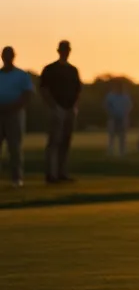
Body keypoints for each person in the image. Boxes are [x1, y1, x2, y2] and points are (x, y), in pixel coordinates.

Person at [39, 40, 81, 184]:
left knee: (65, 141)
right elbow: (44, 89)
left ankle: (62, 172)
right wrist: (53, 106)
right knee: (54, 141)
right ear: (59, 51)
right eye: (63, 50)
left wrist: (74, 107)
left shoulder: (73, 70)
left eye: (67, 50)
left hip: (69, 109)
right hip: (56, 109)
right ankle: (51, 174)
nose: (65, 52)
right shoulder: (50, 69)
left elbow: (77, 90)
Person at [0, 47, 35, 187]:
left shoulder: (22, 75)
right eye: (5, 55)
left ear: (14, 56)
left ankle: (17, 178)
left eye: (10, 55)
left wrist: (13, 106)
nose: (7, 58)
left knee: (14, 147)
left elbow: (28, 94)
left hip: (14, 114)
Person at [104, 81, 134, 157]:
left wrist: (125, 113)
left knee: (122, 135)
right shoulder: (111, 96)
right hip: (113, 117)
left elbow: (129, 106)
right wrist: (110, 113)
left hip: (123, 117)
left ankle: (122, 151)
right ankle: (111, 151)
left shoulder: (125, 97)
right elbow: (107, 105)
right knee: (112, 135)